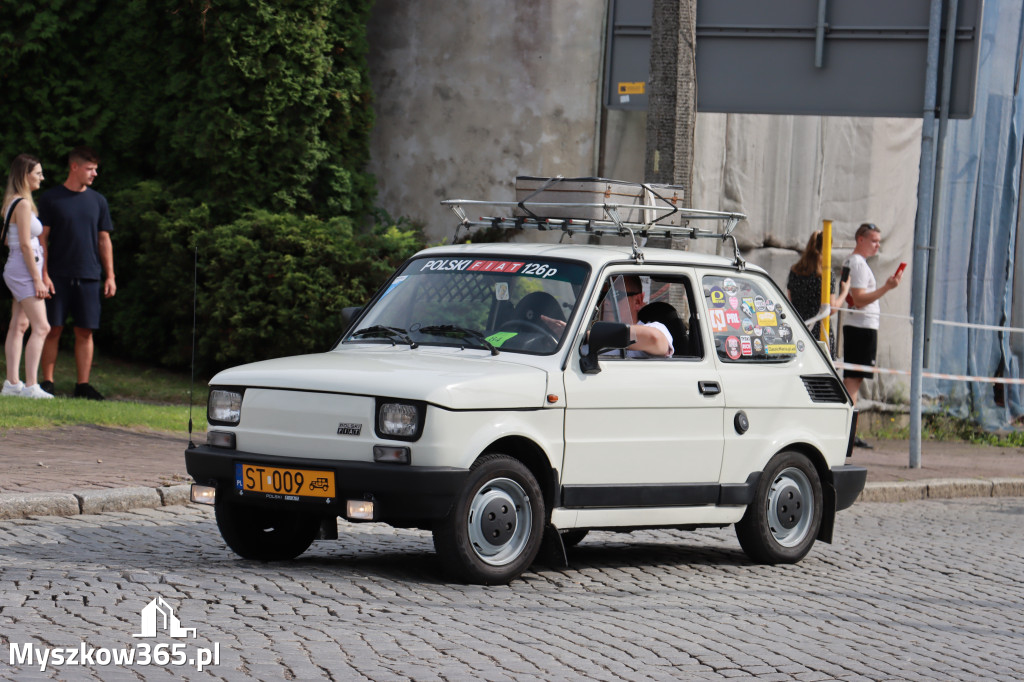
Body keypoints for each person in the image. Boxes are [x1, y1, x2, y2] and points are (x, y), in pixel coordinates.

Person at [37, 146, 116, 400]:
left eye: (96, 169)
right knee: (52, 328)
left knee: (85, 330)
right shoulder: (51, 198)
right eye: (90, 169)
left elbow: (104, 240)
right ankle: (47, 382)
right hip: (57, 274)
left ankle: (83, 385)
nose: (94, 174)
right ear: (74, 167)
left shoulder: (98, 201)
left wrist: (110, 275)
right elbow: (42, 240)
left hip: (89, 275)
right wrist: (44, 273)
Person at [842, 222, 904, 448]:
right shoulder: (857, 263)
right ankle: (849, 433)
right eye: (874, 241)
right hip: (861, 326)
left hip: (861, 326)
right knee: (853, 380)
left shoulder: (857, 263)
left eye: (879, 241)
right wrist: (887, 287)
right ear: (861, 239)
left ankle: (849, 431)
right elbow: (858, 299)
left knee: (854, 379)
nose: (878, 245)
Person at [2, 154, 54, 399]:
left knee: (19, 325)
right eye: (38, 173)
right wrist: (37, 278)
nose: (42, 178)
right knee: (42, 326)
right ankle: (32, 386)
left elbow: (9, 239)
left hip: (18, 266)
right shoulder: (22, 204)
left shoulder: (12, 201)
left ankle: (12, 384)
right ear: (25, 175)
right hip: (24, 268)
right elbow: (24, 244)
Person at [787, 230, 851, 357]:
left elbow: (790, 300)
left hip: (799, 328)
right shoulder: (826, 275)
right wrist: (844, 292)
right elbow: (831, 308)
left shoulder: (795, 270)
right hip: (820, 330)